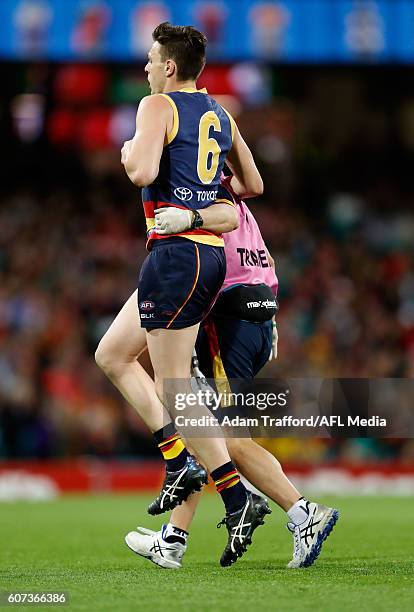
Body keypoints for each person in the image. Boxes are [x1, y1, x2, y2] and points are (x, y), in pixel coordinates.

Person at [95, 22, 267, 566]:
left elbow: (141, 169)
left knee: (176, 391)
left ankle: (215, 484)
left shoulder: (156, 107)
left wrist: (127, 153)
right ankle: (209, 481)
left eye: (150, 60)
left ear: (170, 66)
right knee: (113, 354)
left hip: (176, 255)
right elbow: (253, 187)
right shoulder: (219, 113)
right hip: (206, 254)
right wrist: (201, 196)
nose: (146, 69)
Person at [125, 178, 340, 569]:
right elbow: (268, 262)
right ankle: (173, 539)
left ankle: (302, 513)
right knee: (201, 429)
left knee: (231, 441)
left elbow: (200, 268)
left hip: (228, 324)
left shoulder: (203, 204)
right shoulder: (238, 207)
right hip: (256, 319)